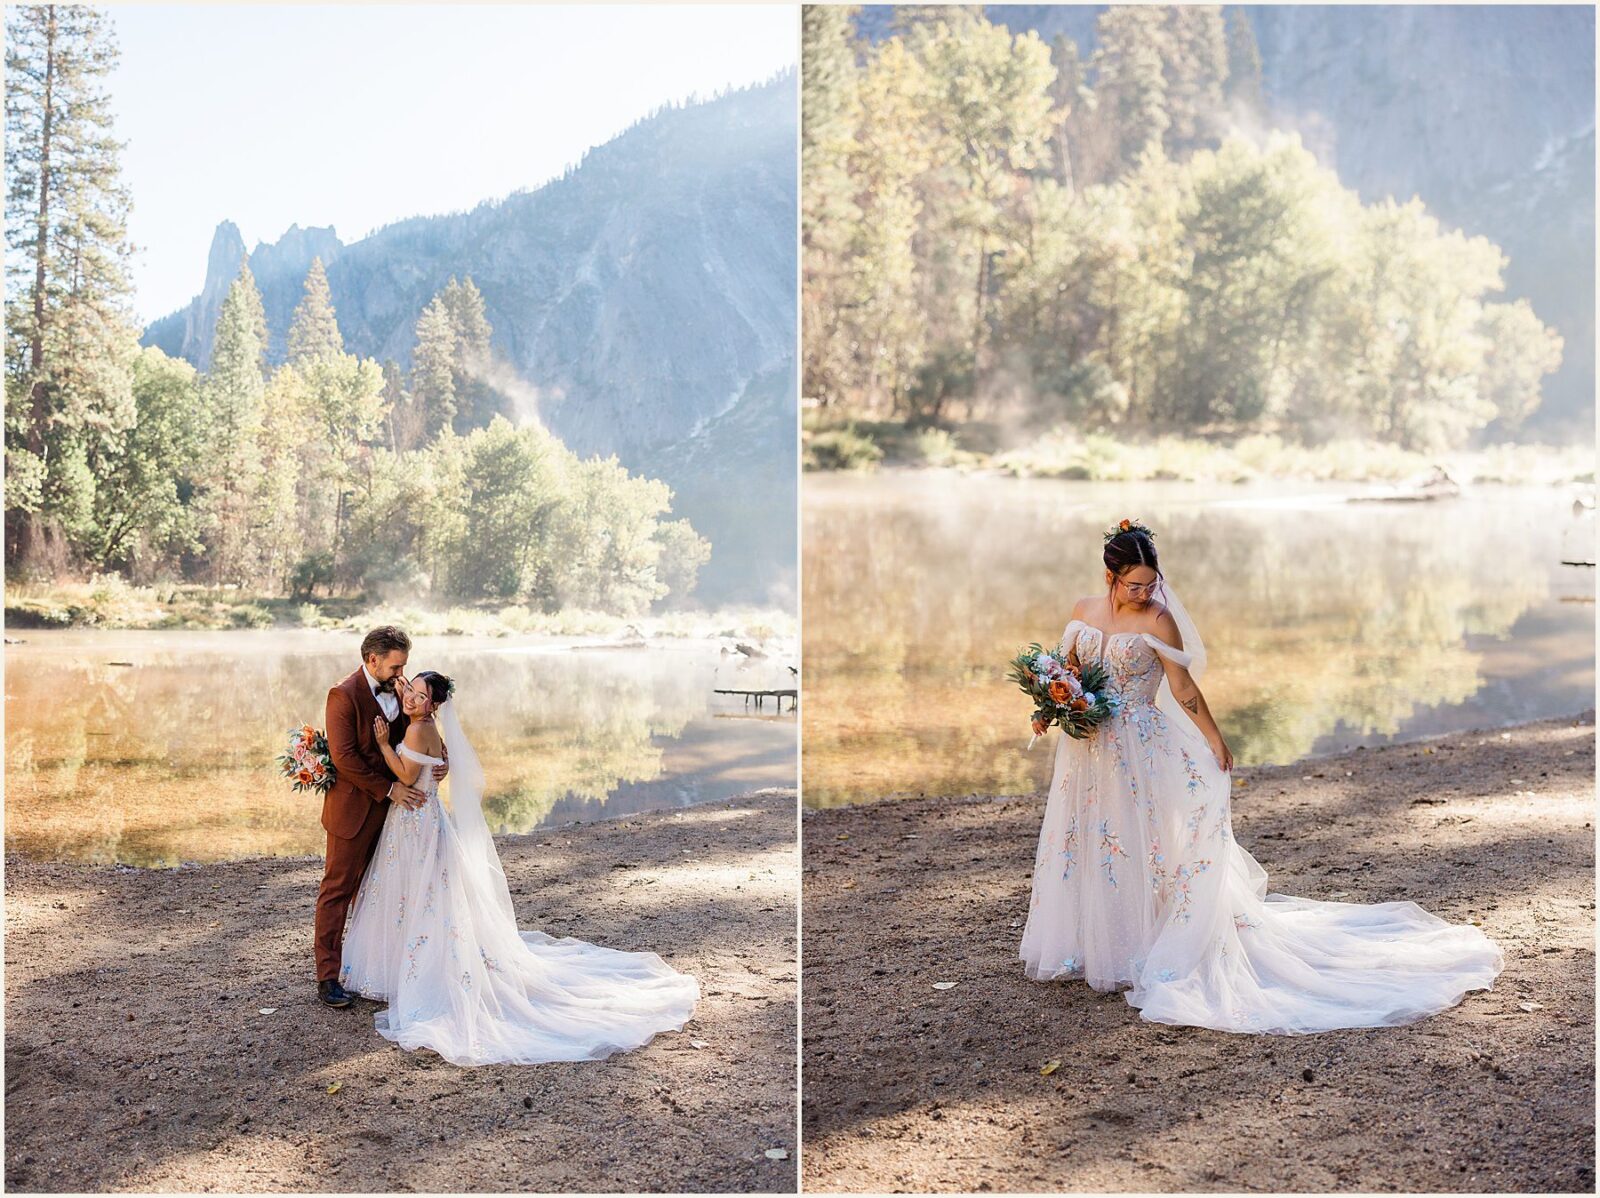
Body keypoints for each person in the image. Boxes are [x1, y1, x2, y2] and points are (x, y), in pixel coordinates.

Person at [1019, 518, 1504, 1034]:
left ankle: (1140, 945)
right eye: (1132, 584)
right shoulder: (1082, 611)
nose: (1143, 593)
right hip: (1089, 745)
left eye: (1150, 583)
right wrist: (1053, 706)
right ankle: (1091, 945)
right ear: (1109, 575)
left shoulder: (1159, 620)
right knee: (1088, 836)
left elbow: (1182, 688)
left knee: (1140, 840)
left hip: (1139, 747)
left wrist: (1214, 738)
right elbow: (1069, 671)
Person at [338, 670, 700, 1064]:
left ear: (434, 705)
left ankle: (417, 974)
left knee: (420, 893)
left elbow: (406, 774)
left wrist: (381, 745)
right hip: (421, 819)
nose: (410, 697)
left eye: (420, 695)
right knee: (424, 895)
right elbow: (435, 760)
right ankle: (407, 968)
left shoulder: (418, 730)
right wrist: (430, 754)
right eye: (411, 690)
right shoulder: (425, 727)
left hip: (415, 822)